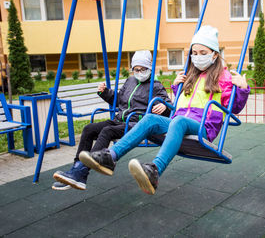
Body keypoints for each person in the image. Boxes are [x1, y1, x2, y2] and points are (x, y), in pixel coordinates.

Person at [79, 26, 249, 195]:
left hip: (203, 127)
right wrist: (177, 86)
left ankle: (154, 170)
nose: (197, 57)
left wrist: (242, 88)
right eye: (194, 53)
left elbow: (233, 107)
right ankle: (111, 156)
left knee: (178, 121)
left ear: (215, 55)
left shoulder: (224, 77)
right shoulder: (190, 74)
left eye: (203, 53)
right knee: (149, 118)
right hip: (179, 122)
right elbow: (185, 101)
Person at [52, 50, 172, 191]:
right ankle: (76, 168)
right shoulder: (130, 81)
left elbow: (167, 104)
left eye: (143, 69)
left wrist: (163, 106)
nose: (139, 72)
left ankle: (81, 172)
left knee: (107, 131)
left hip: (135, 124)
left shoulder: (155, 85)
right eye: (136, 69)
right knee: (88, 129)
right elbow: (119, 100)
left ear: (149, 69)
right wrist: (105, 93)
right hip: (119, 119)